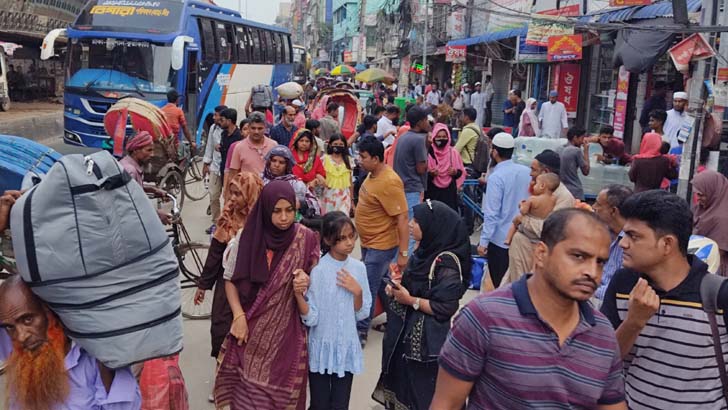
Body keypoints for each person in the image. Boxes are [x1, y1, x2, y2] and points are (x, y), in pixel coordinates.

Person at [433, 209, 626, 410]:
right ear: (541, 254)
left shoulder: (602, 332)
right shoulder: (485, 317)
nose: (592, 272)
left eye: (600, 262)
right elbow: (446, 403)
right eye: (578, 256)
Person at [601, 190, 728, 410]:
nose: (623, 244)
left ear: (667, 244)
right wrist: (633, 323)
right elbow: (603, 361)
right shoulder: (623, 284)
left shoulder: (717, 295)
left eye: (634, 236)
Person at [215, 181, 320, 409]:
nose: (284, 217)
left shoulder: (306, 238)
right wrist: (238, 316)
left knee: (281, 394)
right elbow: (230, 280)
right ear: (265, 209)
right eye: (277, 211)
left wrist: (306, 280)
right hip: (249, 331)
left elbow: (314, 281)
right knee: (246, 397)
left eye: (289, 210)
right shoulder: (247, 237)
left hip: (286, 336)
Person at [373, 200, 472, 410]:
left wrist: (410, 300)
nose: (410, 224)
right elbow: (417, 286)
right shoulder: (425, 251)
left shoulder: (446, 263)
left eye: (416, 221)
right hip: (407, 338)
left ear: (433, 227)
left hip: (427, 346)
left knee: (425, 396)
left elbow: (445, 308)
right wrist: (398, 285)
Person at [0, 275, 142, 410]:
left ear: (49, 312)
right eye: (10, 327)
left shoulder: (95, 358)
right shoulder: (17, 349)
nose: (21, 336)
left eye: (28, 320)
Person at [194, 171, 263, 402]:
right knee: (222, 331)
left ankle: (245, 384)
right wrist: (203, 285)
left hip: (252, 288)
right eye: (230, 192)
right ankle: (221, 383)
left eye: (238, 193)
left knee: (249, 335)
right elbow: (214, 254)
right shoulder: (227, 218)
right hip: (226, 287)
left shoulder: (262, 222)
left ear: (250, 194)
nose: (232, 198)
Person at [300, 212, 371, 410]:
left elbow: (362, 313)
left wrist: (357, 292)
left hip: (345, 348)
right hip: (321, 347)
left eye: (351, 236)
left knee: (340, 405)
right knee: (319, 404)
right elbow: (312, 316)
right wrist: (299, 297)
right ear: (328, 240)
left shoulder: (359, 268)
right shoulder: (319, 270)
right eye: (342, 238)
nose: (349, 243)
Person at [354, 137, 409, 346]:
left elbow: (402, 218)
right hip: (369, 242)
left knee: (366, 286)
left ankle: (360, 331)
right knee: (382, 284)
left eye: (363, 157)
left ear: (376, 159)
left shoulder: (390, 181)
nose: (360, 160)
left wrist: (403, 254)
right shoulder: (371, 174)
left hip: (381, 245)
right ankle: (398, 319)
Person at [502, 150, 575, 285]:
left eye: (533, 170)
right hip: (521, 246)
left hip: (533, 252)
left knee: (524, 291)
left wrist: (523, 220)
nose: (530, 174)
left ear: (545, 172)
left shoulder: (564, 197)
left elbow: (551, 230)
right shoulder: (540, 190)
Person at [477, 132, 531, 287]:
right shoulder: (526, 171)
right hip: (521, 237)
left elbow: (492, 213)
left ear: (494, 152)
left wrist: (484, 242)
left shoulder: (496, 176)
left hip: (500, 240)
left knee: (501, 286)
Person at [393, 106, 431, 253]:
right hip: (412, 189)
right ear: (420, 122)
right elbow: (421, 168)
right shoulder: (418, 140)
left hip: (401, 187)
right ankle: (404, 265)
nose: (428, 123)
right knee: (410, 229)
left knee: (401, 227)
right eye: (426, 120)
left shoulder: (404, 137)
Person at [591, 184, 632, 307]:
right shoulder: (601, 232)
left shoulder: (630, 242)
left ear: (613, 211)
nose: (593, 207)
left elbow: (617, 290)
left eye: (598, 204)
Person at [119, 131, 172, 225]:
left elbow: (134, 188)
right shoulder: (130, 171)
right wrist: (157, 215)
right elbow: (131, 204)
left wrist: (153, 189)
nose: (152, 155)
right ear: (135, 150)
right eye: (148, 150)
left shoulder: (129, 164)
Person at [262, 145, 320, 217]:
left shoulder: (295, 183)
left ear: (287, 165)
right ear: (269, 162)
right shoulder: (260, 180)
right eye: (274, 161)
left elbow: (314, 203)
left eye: (281, 162)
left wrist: (301, 203)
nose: (276, 165)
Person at [505, 172, 559, 246]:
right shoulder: (554, 199)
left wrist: (521, 205)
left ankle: (508, 239)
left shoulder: (533, 199)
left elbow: (523, 211)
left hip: (529, 227)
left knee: (516, 221)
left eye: (536, 183)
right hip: (541, 227)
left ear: (542, 186)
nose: (533, 185)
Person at [692, 170, 728, 276]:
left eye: (701, 195)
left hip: (712, 269)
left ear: (713, 193)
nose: (698, 198)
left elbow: (716, 253)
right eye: (696, 194)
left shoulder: (723, 219)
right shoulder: (705, 207)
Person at [227, 112, 277, 185]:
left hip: (269, 191)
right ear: (249, 127)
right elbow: (233, 174)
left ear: (265, 128)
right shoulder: (239, 147)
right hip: (247, 192)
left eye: (260, 128)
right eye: (253, 128)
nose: (256, 132)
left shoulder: (273, 145)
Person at [425, 123, 465, 211]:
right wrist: (431, 174)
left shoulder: (453, 153)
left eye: (444, 137)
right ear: (434, 137)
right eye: (438, 137)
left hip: (449, 194)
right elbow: (422, 175)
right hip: (432, 194)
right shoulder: (428, 153)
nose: (441, 139)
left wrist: (455, 172)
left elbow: (460, 172)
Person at [203, 105, 228, 230]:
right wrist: (206, 164)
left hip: (228, 169)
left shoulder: (232, 131)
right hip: (215, 167)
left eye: (216, 115)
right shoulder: (213, 128)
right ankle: (216, 223)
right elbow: (209, 146)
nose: (214, 117)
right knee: (213, 196)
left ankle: (227, 223)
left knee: (228, 198)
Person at [322, 134, 354, 215]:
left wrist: (352, 200)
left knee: (342, 220)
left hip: (344, 196)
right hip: (329, 196)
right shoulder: (324, 160)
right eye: (335, 144)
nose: (338, 146)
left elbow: (350, 183)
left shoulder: (349, 160)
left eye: (341, 145)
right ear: (330, 145)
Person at [557, 126, 590, 200]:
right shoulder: (576, 151)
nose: (582, 142)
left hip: (560, 189)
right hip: (574, 191)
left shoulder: (559, 149)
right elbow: (586, 171)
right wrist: (586, 151)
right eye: (582, 138)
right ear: (575, 138)